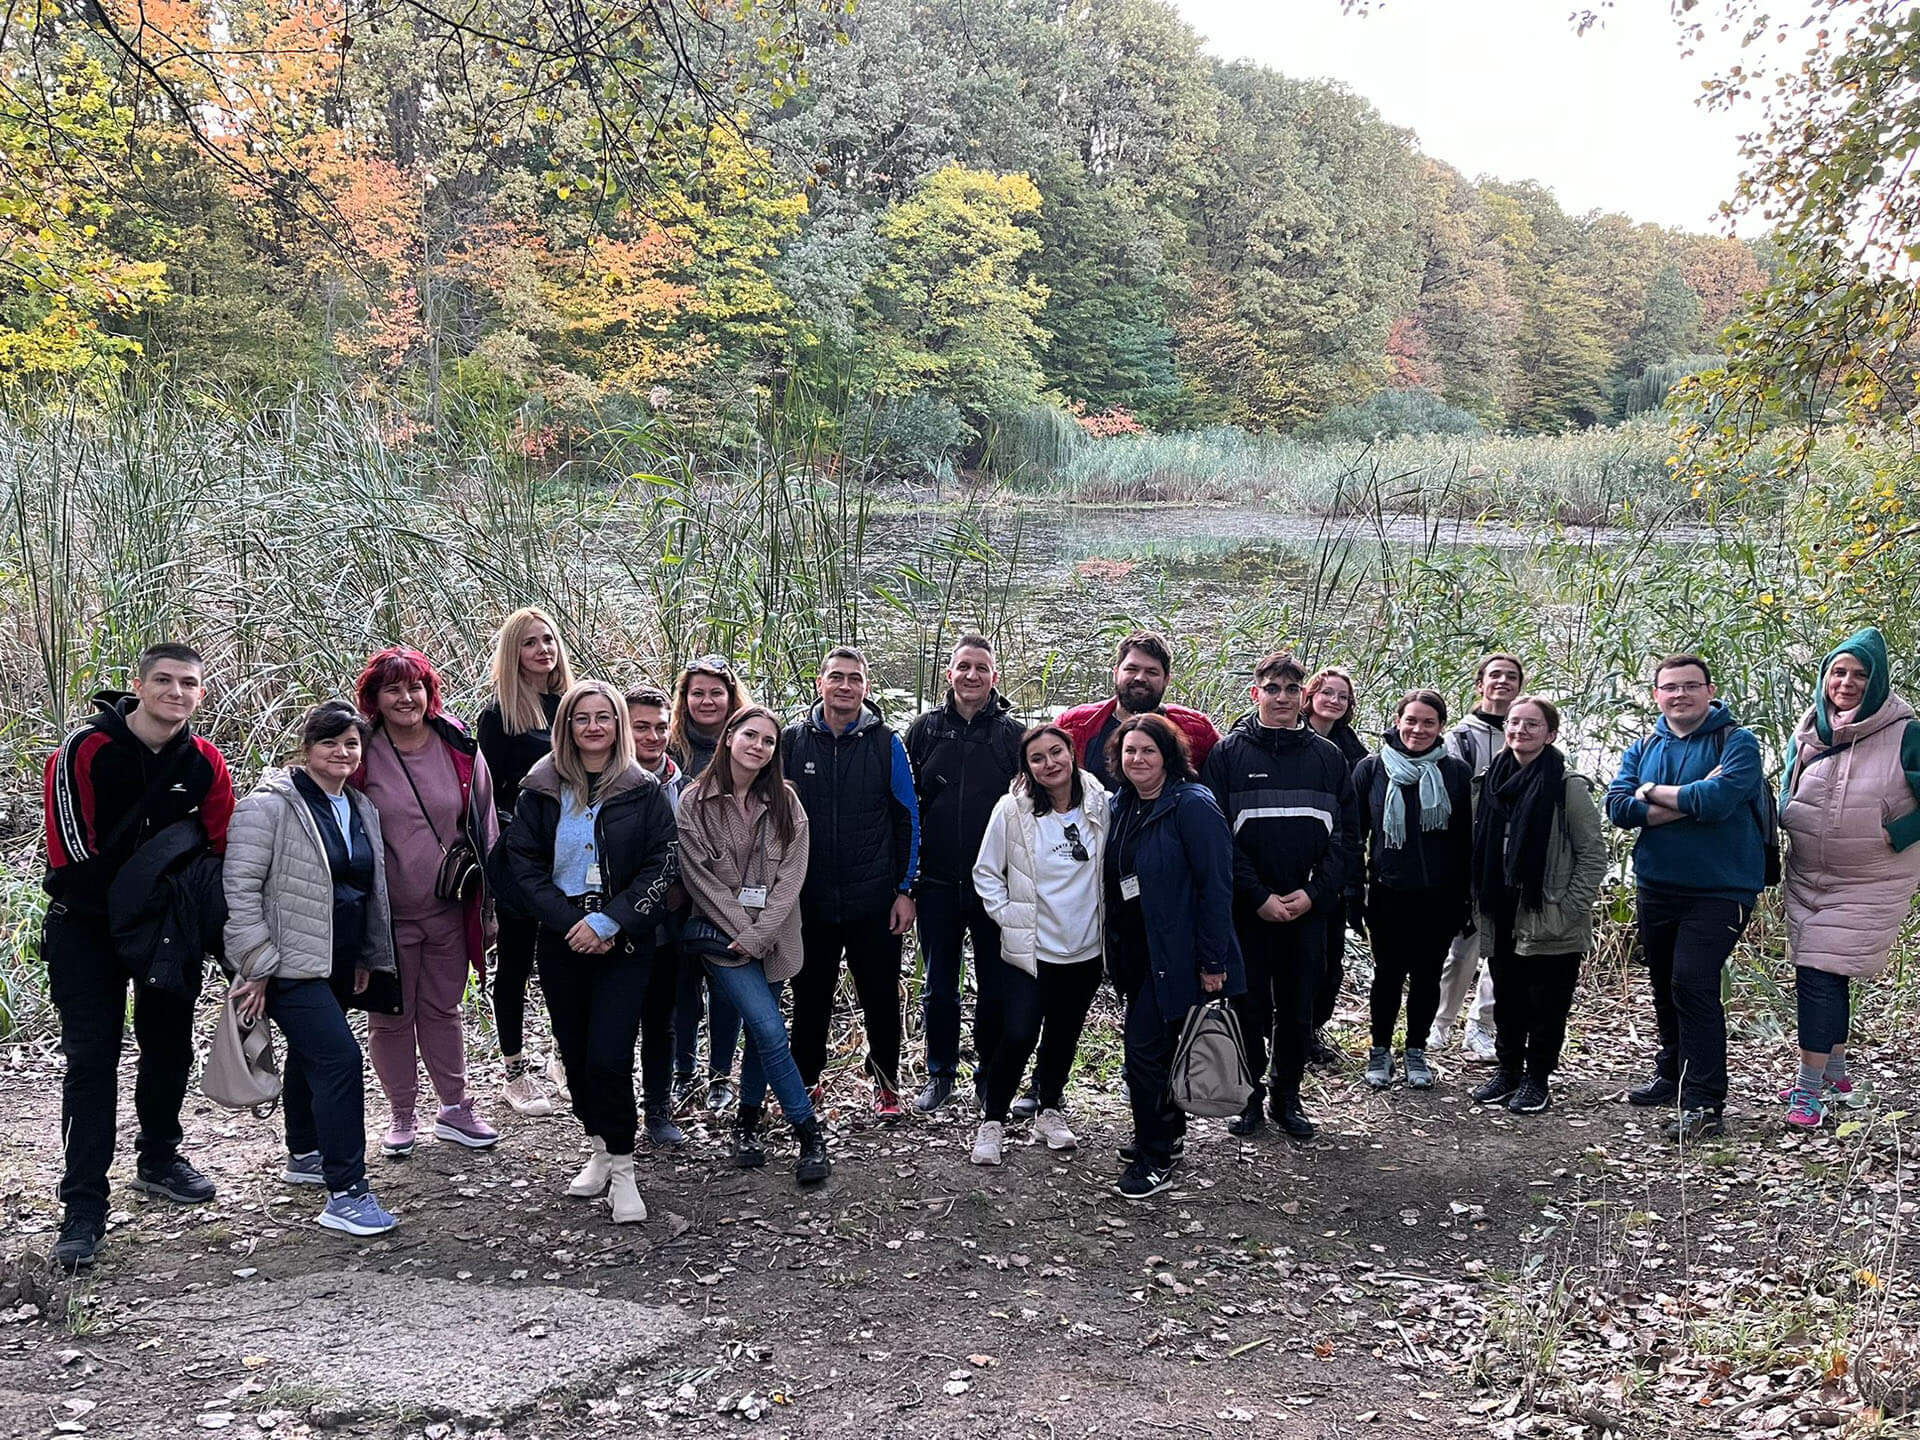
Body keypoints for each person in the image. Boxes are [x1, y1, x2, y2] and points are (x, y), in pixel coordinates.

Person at [42, 643, 236, 1271]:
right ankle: (82, 1207)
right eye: (163, 680)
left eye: (188, 683)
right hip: (88, 927)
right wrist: (144, 894)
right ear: (138, 684)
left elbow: (220, 847)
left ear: (201, 694)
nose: (175, 692)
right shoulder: (86, 749)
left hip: (166, 929)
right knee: (92, 1060)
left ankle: (158, 1157)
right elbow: (74, 849)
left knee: (169, 1046)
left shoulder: (206, 761)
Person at [500, 681, 679, 1222]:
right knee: (575, 1055)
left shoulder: (643, 789)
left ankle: (624, 1169)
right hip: (561, 939)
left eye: (605, 717)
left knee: (608, 1054)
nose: (594, 726)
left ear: (618, 725)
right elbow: (523, 865)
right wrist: (571, 921)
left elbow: (662, 864)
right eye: (583, 718)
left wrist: (606, 921)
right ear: (567, 727)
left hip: (624, 940)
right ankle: (599, 1148)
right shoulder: (541, 788)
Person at [223, 701, 401, 1236]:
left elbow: (369, 890)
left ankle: (305, 1152)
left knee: (310, 1054)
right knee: (341, 1061)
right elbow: (240, 888)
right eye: (330, 742)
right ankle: (347, 1192)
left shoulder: (359, 806)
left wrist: (369, 954)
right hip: (285, 967)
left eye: (351, 743)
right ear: (307, 747)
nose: (342, 753)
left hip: (338, 959)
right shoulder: (270, 805)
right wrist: (256, 963)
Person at [1605, 653, 1767, 1141]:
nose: (1680, 694)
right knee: (1664, 984)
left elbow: (1719, 801)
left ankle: (1704, 1101)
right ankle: (1672, 1072)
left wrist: (1651, 793)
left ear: (1709, 690)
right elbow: (1617, 806)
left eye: (1690, 686)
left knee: (1692, 982)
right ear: (1657, 694)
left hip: (1722, 888)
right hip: (1658, 885)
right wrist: (1687, 799)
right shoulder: (1644, 745)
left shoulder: (1737, 741)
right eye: (1670, 687)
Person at [352, 646, 501, 1157]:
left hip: (448, 908)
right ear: (374, 697)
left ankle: (456, 1109)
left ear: (429, 691)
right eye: (392, 688)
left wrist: (489, 905)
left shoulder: (457, 742)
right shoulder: (360, 750)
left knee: (443, 1009)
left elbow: (485, 826)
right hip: (383, 916)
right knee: (390, 1015)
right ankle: (401, 1115)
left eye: (414, 686)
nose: (405, 697)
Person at [1202, 652, 1356, 1141]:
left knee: (1298, 1008)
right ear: (1256, 693)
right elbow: (1217, 838)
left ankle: (1286, 1096)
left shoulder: (1329, 758)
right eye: (1273, 688)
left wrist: (1313, 894)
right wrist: (1257, 895)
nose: (1283, 698)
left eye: (1292, 690)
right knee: (1247, 1007)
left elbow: (1347, 839)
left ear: (1303, 696)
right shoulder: (1227, 755)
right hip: (1249, 910)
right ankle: (1248, 1099)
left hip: (1308, 911)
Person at [676, 705, 830, 1184]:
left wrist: (762, 934)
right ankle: (807, 1131)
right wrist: (745, 933)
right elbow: (700, 878)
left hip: (776, 938)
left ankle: (747, 1124)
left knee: (762, 1038)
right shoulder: (694, 802)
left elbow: (792, 876)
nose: (758, 747)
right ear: (728, 738)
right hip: (725, 940)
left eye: (768, 741)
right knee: (768, 1028)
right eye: (750, 736)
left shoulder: (786, 801)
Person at [1777, 628, 1920, 1129]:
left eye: (1860, 674)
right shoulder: (1811, 725)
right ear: (1825, 677)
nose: (1847, 682)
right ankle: (1837, 1073)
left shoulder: (1906, 732)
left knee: (1818, 972)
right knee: (1824, 973)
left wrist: (1895, 832)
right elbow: (1790, 778)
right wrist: (1785, 811)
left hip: (1870, 876)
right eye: (1839, 672)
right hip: (1808, 871)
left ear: (1877, 681)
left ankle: (1810, 1090)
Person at [1105, 714, 1244, 1200]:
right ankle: (1168, 1132)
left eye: (1147, 750)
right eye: (1129, 751)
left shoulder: (1192, 805)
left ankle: (1154, 1157)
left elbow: (1216, 886)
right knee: (1157, 1049)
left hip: (1180, 954)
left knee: (1143, 1052)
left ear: (1168, 755)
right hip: (1136, 951)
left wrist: (1213, 961)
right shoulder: (1124, 803)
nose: (1137, 759)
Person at [782, 647, 921, 1117]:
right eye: (836, 677)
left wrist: (905, 889)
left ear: (866, 687)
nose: (845, 686)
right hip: (810, 898)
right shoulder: (792, 741)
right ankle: (805, 1081)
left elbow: (908, 818)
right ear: (820, 682)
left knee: (880, 995)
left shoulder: (887, 744)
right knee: (810, 997)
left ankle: (885, 1085)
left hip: (874, 898)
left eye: (855, 678)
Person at [969, 723, 1110, 1164]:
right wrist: (1009, 916)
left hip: (1085, 946)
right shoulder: (1012, 810)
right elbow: (986, 873)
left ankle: (1049, 1108)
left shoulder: (1100, 803)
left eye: (1056, 752)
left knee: (1064, 1034)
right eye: (1037, 758)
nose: (1050, 763)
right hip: (1033, 948)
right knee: (1018, 1033)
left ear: (1072, 753)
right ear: (1027, 767)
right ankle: (993, 1119)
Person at [904, 634, 1026, 1113]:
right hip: (936, 881)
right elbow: (905, 807)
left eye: (981, 667)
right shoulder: (925, 730)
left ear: (994, 677)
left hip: (994, 885)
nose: (972, 675)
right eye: (963, 667)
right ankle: (940, 1074)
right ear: (949, 674)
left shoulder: (1012, 736)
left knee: (994, 985)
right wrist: (906, 881)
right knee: (939, 986)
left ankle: (987, 1074)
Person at [1467, 697, 1604, 1116]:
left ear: (1551, 734)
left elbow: (1593, 855)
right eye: (1513, 723)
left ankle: (1537, 1079)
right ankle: (1507, 1072)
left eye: (1531, 724)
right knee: (1507, 998)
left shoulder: (1566, 786)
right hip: (1502, 908)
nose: (1520, 731)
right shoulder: (1491, 781)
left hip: (1550, 913)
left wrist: (1566, 909)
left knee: (1546, 1005)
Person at [476, 606, 575, 1118]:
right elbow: (489, 796)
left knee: (565, 957)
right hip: (521, 853)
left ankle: (563, 1058)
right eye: (531, 642)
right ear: (513, 652)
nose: (543, 649)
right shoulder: (499, 717)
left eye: (549, 640)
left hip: (574, 852)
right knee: (514, 961)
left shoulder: (572, 706)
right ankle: (514, 1070)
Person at [1351, 689, 1474, 1091]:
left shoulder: (1455, 772)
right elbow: (1353, 836)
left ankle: (1416, 1050)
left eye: (1428, 722)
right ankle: (1380, 1050)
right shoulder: (1372, 769)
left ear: (1441, 727)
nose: (1418, 729)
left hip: (1439, 895)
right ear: (1398, 720)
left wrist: (1465, 899)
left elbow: (1465, 840)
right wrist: (1355, 892)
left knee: (1426, 977)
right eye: (1411, 720)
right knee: (1387, 976)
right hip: (1388, 892)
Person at [667, 655, 752, 1114]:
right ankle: (685, 1071)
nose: (706, 700)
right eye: (697, 692)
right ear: (685, 699)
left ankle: (720, 1076)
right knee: (683, 988)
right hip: (677, 891)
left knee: (725, 986)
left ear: (730, 697)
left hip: (731, 892)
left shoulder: (747, 745)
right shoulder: (670, 748)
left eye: (715, 692)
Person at [1434, 652, 1526, 1063]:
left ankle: (1482, 1026)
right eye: (1495, 676)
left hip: (1516, 856)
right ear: (1480, 684)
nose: (1502, 682)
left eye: (1511, 676)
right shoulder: (1461, 738)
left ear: (1520, 686)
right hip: (1474, 855)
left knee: (1504, 948)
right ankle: (1440, 1023)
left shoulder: (1527, 731)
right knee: (1463, 944)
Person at [627, 685, 687, 1146]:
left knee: (661, 1021)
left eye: (660, 727)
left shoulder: (681, 784)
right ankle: (616, 1111)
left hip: (669, 923)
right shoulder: (607, 782)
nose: (652, 736)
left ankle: (658, 1109)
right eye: (640, 727)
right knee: (616, 1020)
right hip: (620, 922)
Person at [1302, 663, 1368, 1066]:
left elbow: (1357, 816)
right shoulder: (1290, 737)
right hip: (1292, 868)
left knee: (1329, 961)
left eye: (1342, 696)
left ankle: (1311, 1030)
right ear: (1310, 696)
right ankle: (1280, 1029)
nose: (1335, 701)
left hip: (1335, 867)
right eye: (1328, 693)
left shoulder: (1353, 751)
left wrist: (1353, 877)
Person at [1058, 631, 1221, 791]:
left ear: (1166, 680)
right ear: (1116, 673)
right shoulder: (1073, 725)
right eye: (1132, 669)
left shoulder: (1197, 729)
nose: (1140, 678)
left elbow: (1228, 778)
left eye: (1151, 672)